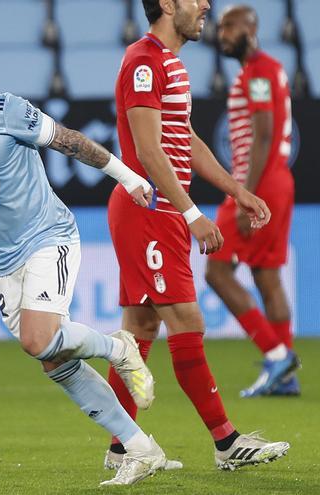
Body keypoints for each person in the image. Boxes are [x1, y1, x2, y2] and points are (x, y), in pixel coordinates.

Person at [0, 38, 169, 487]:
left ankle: (119, 347)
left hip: (49, 237)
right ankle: (141, 449)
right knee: (53, 359)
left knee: (36, 339)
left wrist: (128, 178)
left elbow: (70, 143)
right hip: (3, 262)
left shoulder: (4, 110)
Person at [104, 0, 289, 472]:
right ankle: (226, 443)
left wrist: (236, 190)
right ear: (166, 4)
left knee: (139, 331)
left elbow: (183, 139)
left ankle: (123, 446)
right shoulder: (144, 60)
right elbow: (147, 150)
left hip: (156, 209)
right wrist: (191, 214)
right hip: (152, 209)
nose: (206, 4)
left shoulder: (169, 63)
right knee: (187, 321)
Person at [205, 4, 300, 397]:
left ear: (249, 28)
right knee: (266, 276)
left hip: (260, 183)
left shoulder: (259, 70)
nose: (221, 33)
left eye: (229, 26)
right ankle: (285, 376)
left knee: (217, 271)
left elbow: (263, 135)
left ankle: (276, 354)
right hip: (276, 181)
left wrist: (249, 196)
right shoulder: (260, 70)